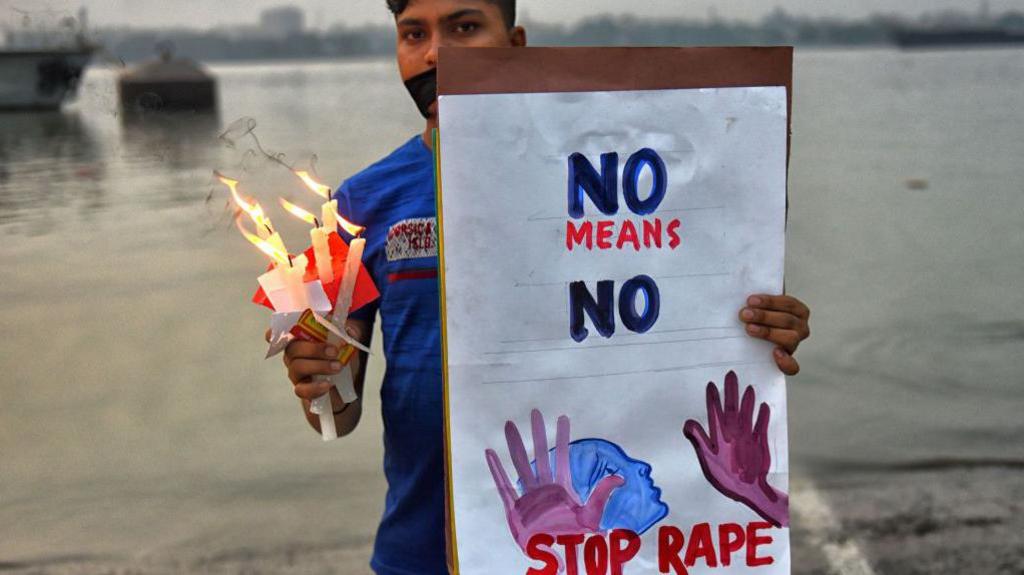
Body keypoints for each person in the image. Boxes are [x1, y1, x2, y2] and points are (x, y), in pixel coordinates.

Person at [277, 1, 811, 573]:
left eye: (464, 28)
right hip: (423, 545)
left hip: (603, 551)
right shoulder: (358, 206)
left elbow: (691, 305)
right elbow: (336, 411)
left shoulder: (604, 176)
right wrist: (318, 375)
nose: (436, 52)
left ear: (517, 42)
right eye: (414, 34)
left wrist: (759, 332)